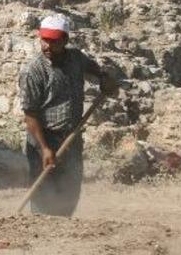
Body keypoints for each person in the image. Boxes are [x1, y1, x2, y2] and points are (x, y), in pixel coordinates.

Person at [19, 13, 116, 216]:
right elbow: (30, 115)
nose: (47, 46)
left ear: (65, 40)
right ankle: (40, 227)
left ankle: (64, 226)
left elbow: (94, 68)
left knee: (70, 188)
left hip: (72, 136)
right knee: (43, 192)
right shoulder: (33, 71)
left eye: (53, 41)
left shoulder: (76, 58)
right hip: (44, 139)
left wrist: (104, 77)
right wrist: (45, 148)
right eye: (44, 40)